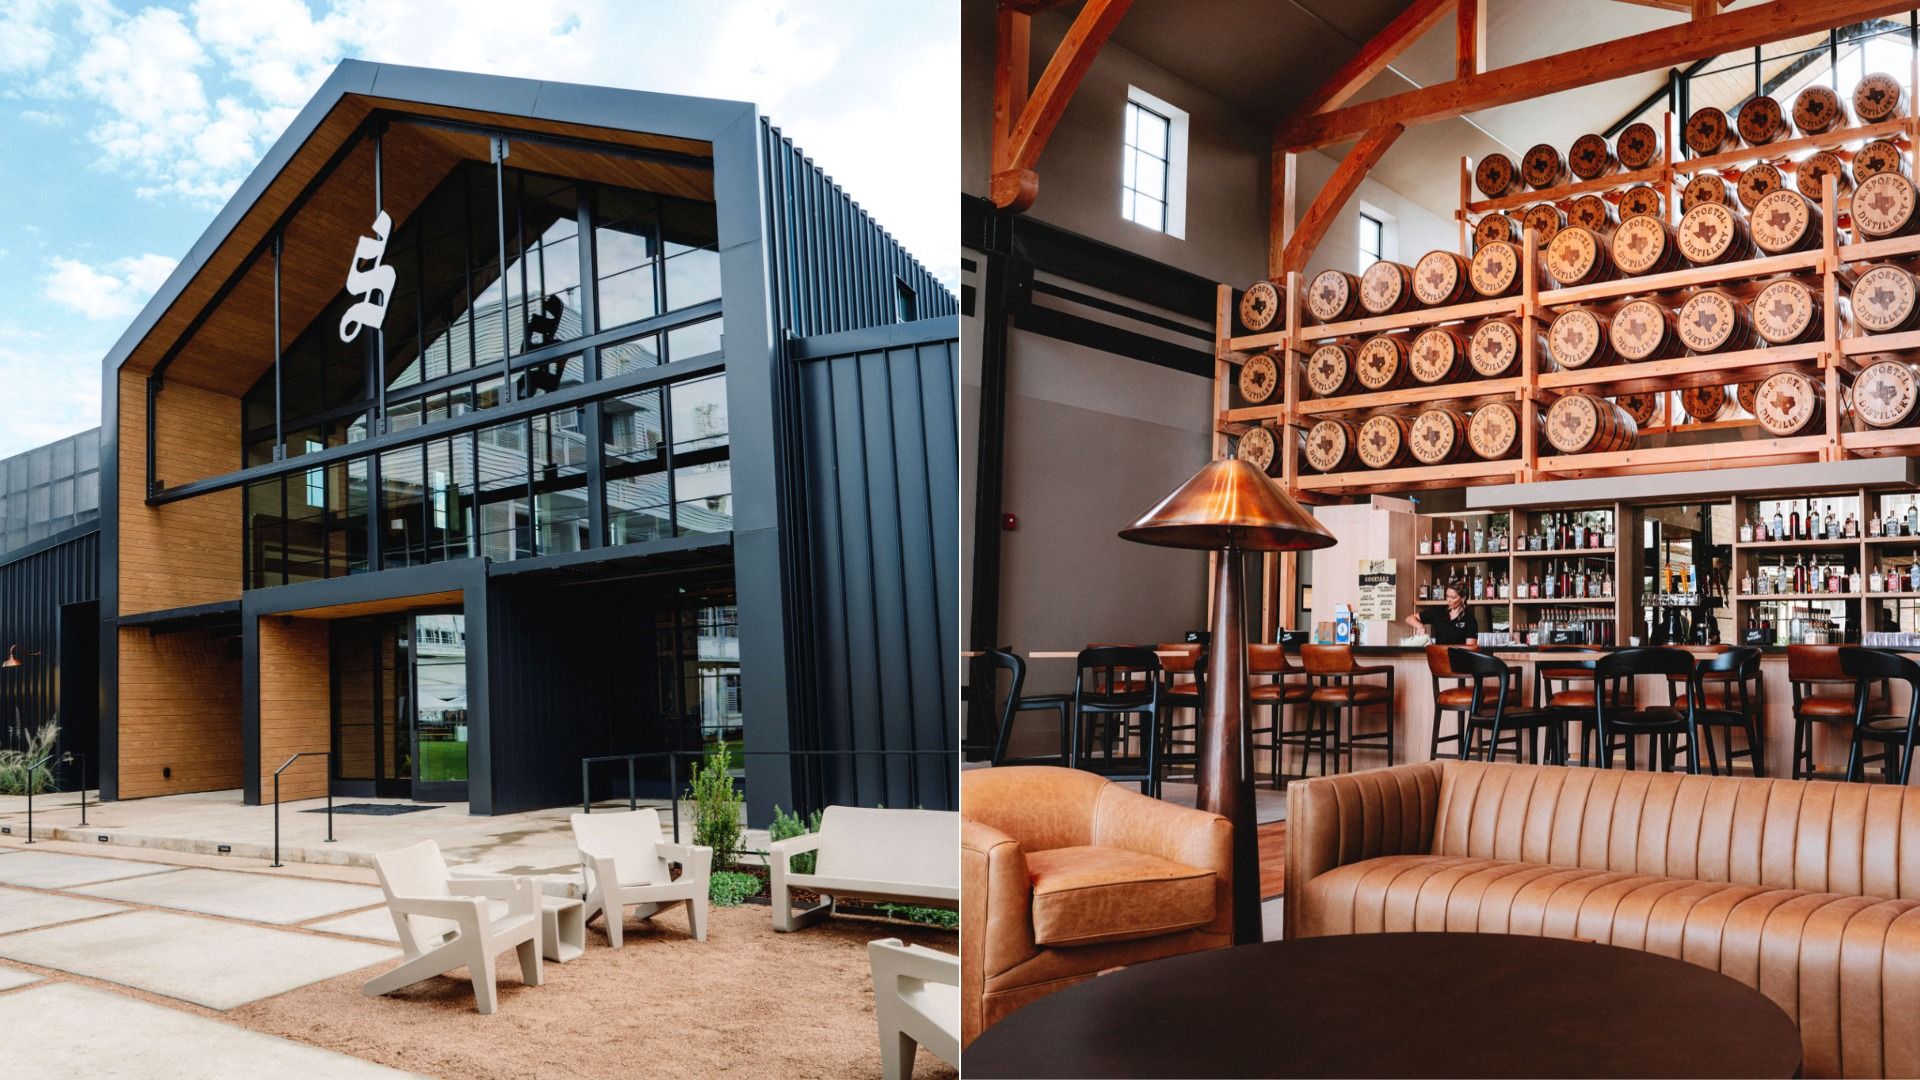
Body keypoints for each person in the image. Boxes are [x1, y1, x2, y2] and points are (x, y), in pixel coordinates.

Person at [1404, 581, 1478, 644]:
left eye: (1452, 597)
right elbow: (1409, 618)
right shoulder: (1439, 612)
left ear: (1463, 598)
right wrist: (1420, 626)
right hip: (1439, 657)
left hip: (1458, 659)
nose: (1448, 600)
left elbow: (1470, 649)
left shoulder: (1469, 619)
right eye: (1447, 596)